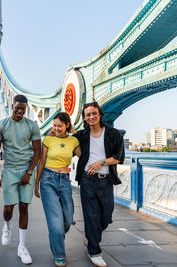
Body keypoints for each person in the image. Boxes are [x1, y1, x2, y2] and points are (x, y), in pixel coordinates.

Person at [75, 102, 125, 267]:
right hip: (87, 179)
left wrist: (101, 162)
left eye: (94, 113)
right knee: (91, 216)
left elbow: (118, 157)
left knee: (106, 215)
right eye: (88, 114)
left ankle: (91, 237)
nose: (91, 117)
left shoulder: (113, 134)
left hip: (106, 180)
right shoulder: (81, 136)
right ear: (84, 118)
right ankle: (94, 251)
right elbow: (65, 140)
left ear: (100, 114)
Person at [0, 94, 41, 265]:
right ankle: (7, 226)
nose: (20, 111)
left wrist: (29, 172)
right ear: (12, 105)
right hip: (9, 170)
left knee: (23, 206)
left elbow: (38, 152)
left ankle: (22, 246)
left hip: (26, 169)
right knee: (8, 208)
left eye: (23, 108)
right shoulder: (2, 125)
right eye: (17, 107)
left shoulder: (32, 125)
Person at [34, 112, 81, 267]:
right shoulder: (48, 139)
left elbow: (85, 157)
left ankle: (56, 235)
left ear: (67, 125)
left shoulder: (73, 141)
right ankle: (59, 254)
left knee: (68, 219)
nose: (55, 128)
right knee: (55, 222)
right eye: (54, 125)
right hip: (48, 180)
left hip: (65, 181)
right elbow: (41, 162)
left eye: (59, 126)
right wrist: (36, 183)